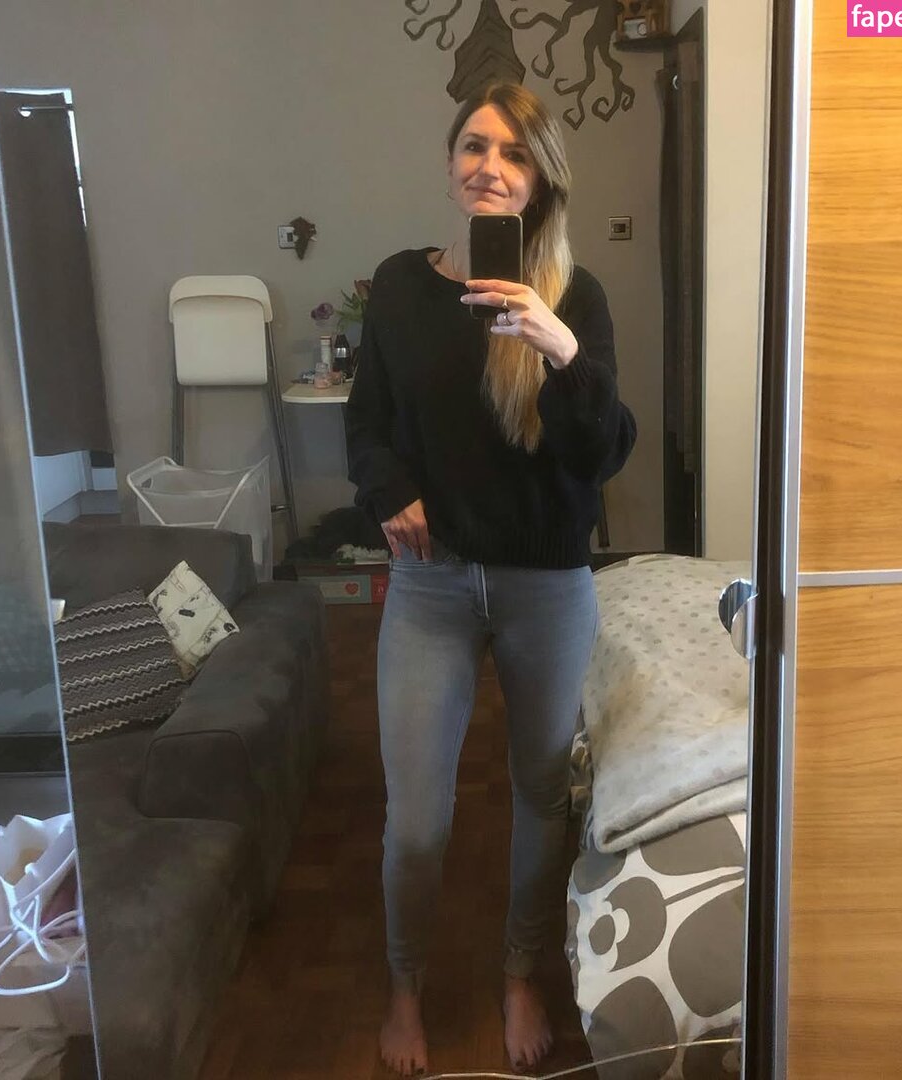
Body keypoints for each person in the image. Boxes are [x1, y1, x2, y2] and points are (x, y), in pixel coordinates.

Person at [344, 81, 637, 1077]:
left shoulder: (575, 297)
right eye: (474, 146)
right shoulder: (399, 286)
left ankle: (519, 973)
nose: (490, 167)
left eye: (514, 154)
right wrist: (387, 488)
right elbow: (367, 420)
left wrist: (559, 349)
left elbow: (604, 453)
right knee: (416, 821)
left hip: (547, 585)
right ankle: (405, 986)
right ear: (450, 162)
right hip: (431, 584)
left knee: (540, 793)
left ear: (540, 178)